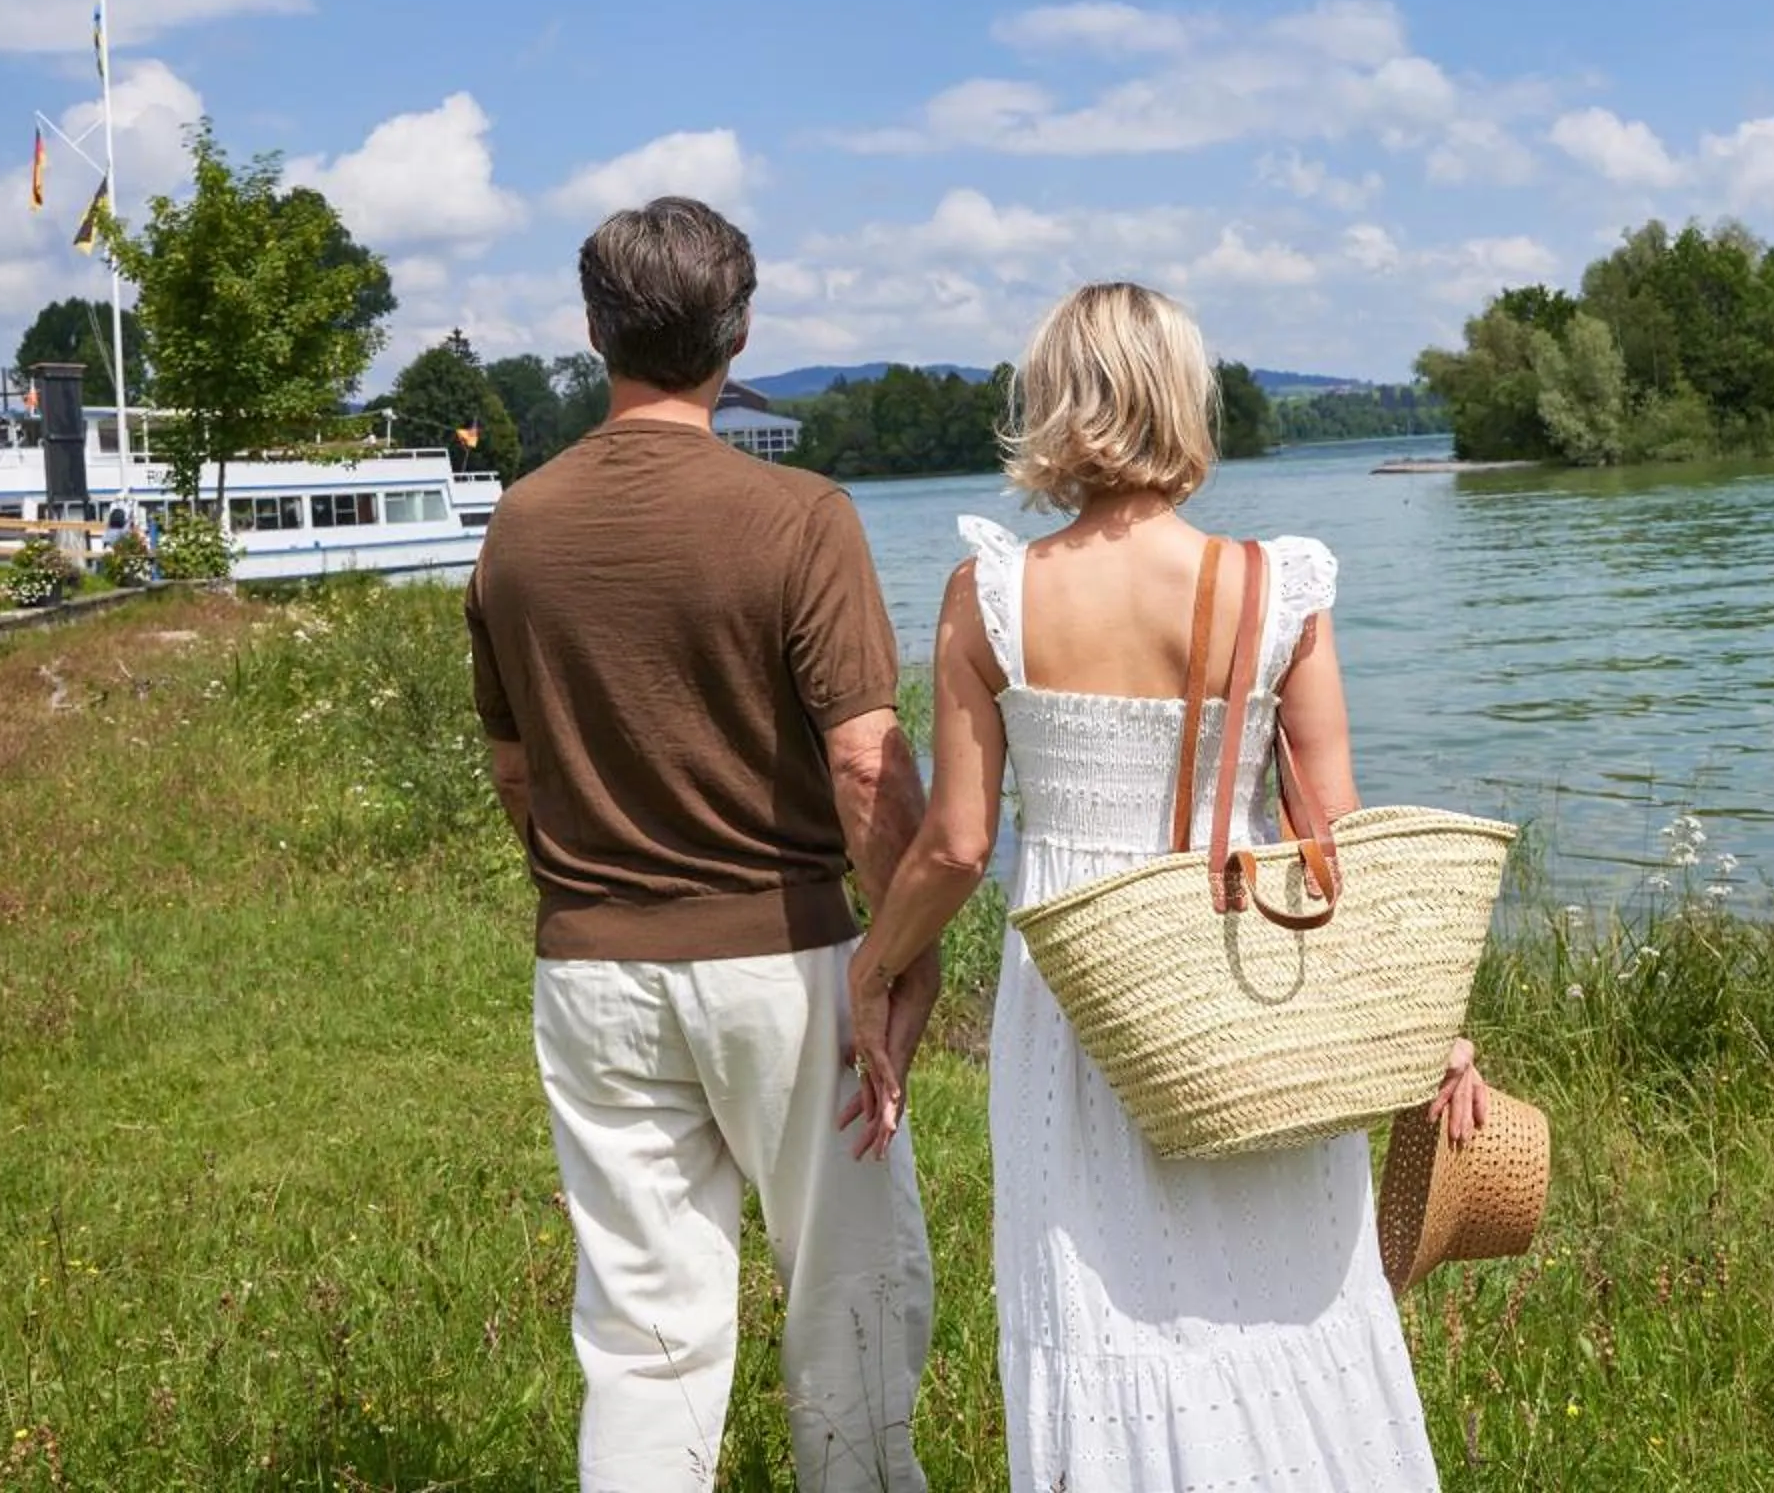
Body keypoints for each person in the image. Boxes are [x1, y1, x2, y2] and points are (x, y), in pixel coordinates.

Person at [845, 281, 1485, 1493]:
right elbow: (1335, 832)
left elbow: (958, 845)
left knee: (1101, 1307)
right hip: (1250, 978)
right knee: (1293, 1304)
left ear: (1052, 403)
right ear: (1184, 400)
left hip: (1082, 991)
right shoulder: (1277, 585)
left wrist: (875, 969)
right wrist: (1424, 1020)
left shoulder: (992, 597)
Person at [464, 196, 935, 1493]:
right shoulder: (802, 516)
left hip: (590, 972)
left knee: (642, 1330)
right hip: (785, 960)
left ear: (593, 331)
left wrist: (600, 889)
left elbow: (516, 771)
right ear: (740, 331)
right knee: (848, 1289)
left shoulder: (519, 525)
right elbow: (865, 764)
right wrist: (901, 951)